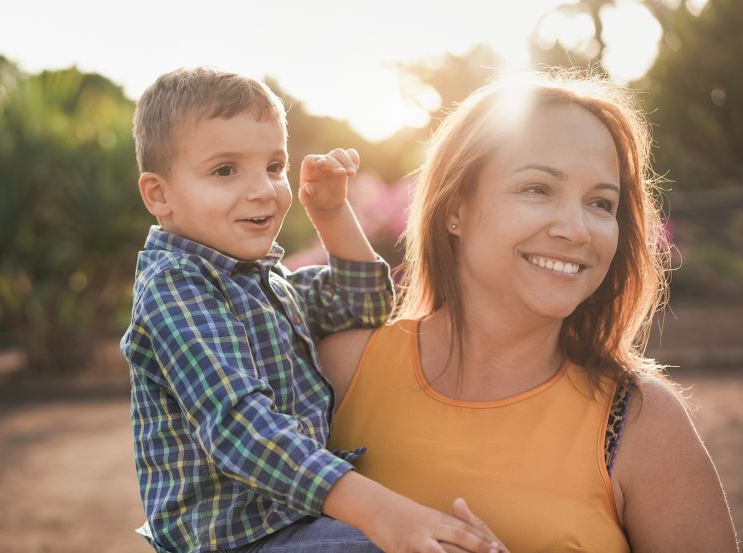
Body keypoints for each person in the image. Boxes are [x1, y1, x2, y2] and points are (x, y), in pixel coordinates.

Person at [320, 71, 740, 553]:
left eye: (601, 203)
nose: (577, 229)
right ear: (454, 207)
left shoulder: (644, 424)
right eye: (538, 189)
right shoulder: (340, 371)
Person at [120, 67, 503, 553]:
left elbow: (363, 304)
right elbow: (242, 429)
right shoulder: (176, 285)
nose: (263, 189)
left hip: (294, 520)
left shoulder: (265, 280)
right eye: (225, 170)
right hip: (234, 536)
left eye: (274, 166)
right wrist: (381, 510)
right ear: (159, 194)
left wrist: (332, 213)